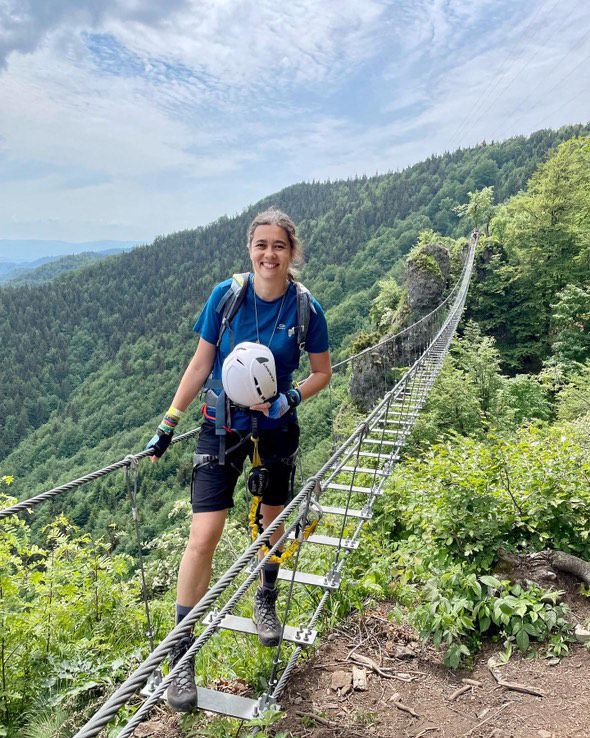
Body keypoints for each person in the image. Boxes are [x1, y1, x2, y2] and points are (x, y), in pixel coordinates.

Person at [146, 207, 331, 712]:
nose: (269, 255)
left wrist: (289, 400)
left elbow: (321, 374)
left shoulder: (306, 309)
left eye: (279, 246)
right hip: (219, 426)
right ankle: (181, 654)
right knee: (203, 536)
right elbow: (201, 361)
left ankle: (265, 598)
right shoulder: (226, 297)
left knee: (270, 529)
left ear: (292, 253)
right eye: (261, 245)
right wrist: (168, 423)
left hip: (275, 430)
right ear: (250, 249)